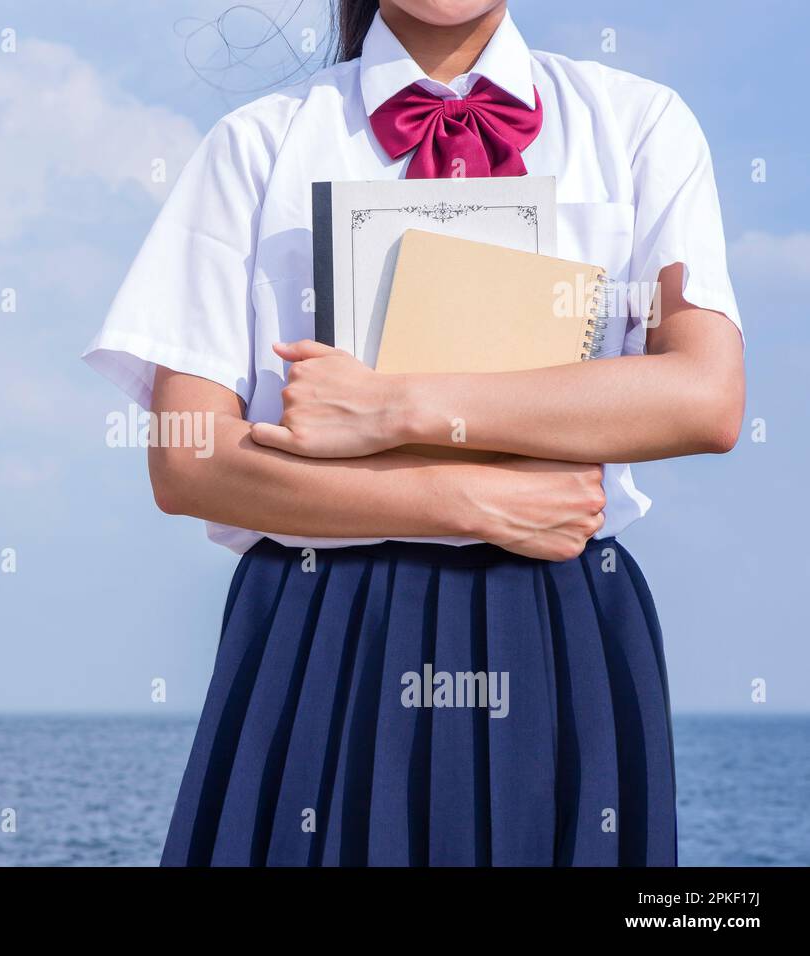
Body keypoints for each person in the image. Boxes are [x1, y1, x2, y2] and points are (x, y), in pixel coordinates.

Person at [82, 0, 745, 866]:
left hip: (555, 622)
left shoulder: (638, 124)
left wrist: (394, 407)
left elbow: (704, 396)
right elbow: (187, 460)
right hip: (321, 623)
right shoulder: (256, 144)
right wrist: (457, 498)